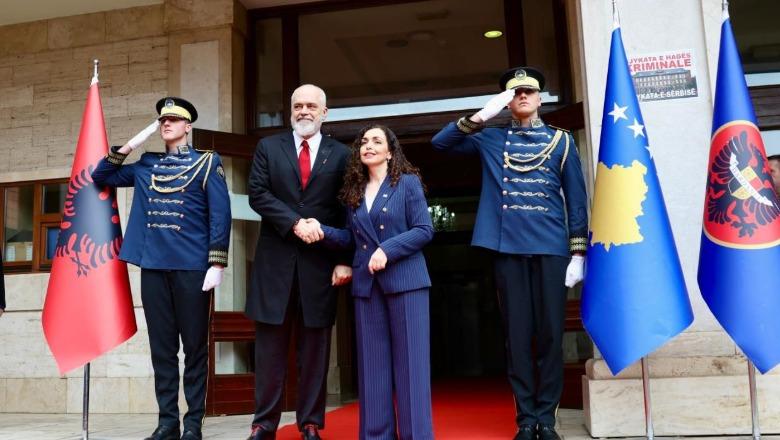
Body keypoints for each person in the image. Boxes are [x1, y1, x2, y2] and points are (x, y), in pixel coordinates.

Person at [431, 67, 588, 440]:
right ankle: (525, 419)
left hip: (551, 249)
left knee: (550, 335)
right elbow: (441, 144)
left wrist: (578, 252)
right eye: (514, 92)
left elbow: (577, 202)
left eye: (527, 92)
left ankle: (546, 419)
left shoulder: (561, 142)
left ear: (539, 98)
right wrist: (483, 115)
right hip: (508, 249)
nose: (521, 97)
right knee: (517, 337)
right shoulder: (492, 139)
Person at [92, 97, 231, 440]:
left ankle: (193, 422)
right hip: (154, 266)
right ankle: (168, 421)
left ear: (188, 126)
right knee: (162, 348)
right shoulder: (146, 165)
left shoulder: (207, 163)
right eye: (162, 120)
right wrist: (131, 144)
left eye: (173, 119)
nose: (166, 124)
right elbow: (101, 176)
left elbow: (221, 214)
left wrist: (217, 262)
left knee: (195, 348)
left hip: (192, 267)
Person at [308, 124, 434, 440]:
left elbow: (423, 230)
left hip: (407, 284)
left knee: (411, 370)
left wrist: (387, 250)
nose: (369, 145)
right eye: (364, 141)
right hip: (367, 287)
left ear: (390, 151)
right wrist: (322, 230)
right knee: (372, 369)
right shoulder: (354, 192)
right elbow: (353, 238)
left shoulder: (408, 184)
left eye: (377, 141)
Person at [245, 84, 352, 440]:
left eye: (311, 106)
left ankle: (310, 424)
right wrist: (294, 223)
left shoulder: (341, 154)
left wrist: (343, 258)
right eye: (297, 106)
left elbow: (346, 209)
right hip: (274, 265)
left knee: (315, 353)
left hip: (320, 267)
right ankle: (264, 424)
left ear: (325, 112)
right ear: (290, 111)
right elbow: (258, 193)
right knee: (270, 352)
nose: (303, 111)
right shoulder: (268, 147)